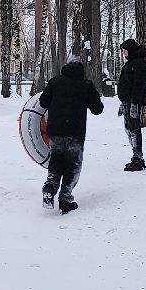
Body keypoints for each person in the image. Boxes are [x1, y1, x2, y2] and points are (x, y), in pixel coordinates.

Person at [37, 59, 104, 213]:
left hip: (55, 131)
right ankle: (66, 199)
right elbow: (97, 109)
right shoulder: (86, 84)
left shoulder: (54, 82)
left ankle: (50, 187)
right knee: (73, 165)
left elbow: (42, 102)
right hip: (75, 132)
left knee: (56, 161)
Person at [115, 38, 146, 171]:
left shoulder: (138, 64)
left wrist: (134, 104)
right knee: (129, 129)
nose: (123, 53)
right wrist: (122, 102)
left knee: (134, 129)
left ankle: (138, 158)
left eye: (124, 50)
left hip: (132, 102)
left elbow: (138, 85)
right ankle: (137, 157)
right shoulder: (131, 63)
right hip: (127, 102)